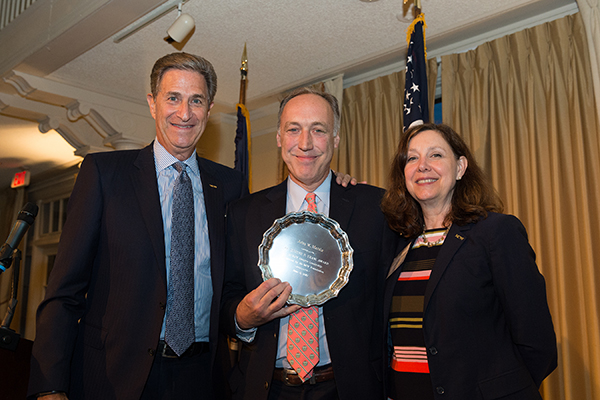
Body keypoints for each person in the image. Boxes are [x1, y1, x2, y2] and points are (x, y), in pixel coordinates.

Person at [27, 52, 247, 400]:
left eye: (196, 101)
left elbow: (234, 280)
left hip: (202, 378)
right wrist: (50, 386)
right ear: (152, 103)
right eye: (173, 97)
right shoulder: (103, 174)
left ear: (209, 108)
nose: (184, 113)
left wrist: (331, 184)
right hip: (115, 378)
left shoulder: (230, 186)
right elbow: (64, 291)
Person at [220, 87, 399, 400]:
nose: (305, 143)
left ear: (335, 140)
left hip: (349, 388)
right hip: (264, 388)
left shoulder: (376, 208)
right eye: (294, 129)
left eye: (318, 130)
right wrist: (242, 318)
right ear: (279, 138)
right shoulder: (243, 213)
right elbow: (224, 296)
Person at [380, 123, 557, 399]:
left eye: (436, 155)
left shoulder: (496, 232)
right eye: (412, 158)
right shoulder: (397, 245)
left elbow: (537, 341)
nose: (422, 166)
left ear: (461, 167)